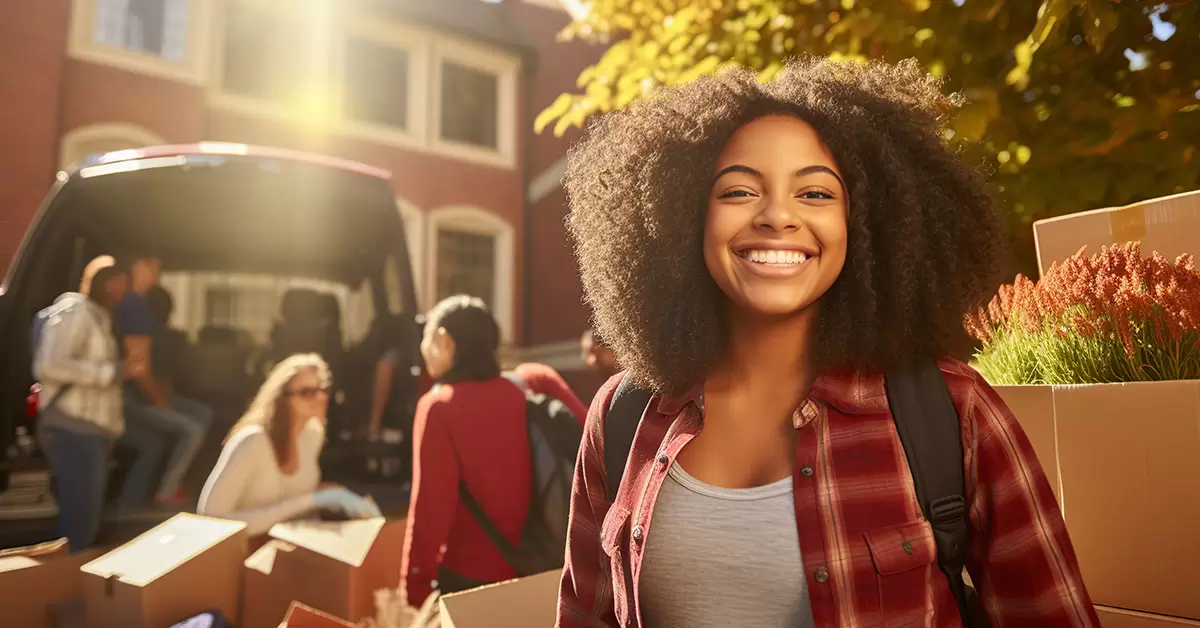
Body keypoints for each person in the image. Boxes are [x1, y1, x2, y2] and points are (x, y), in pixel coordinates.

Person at [556, 58, 1099, 627]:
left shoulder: (953, 410)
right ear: (684, 219)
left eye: (815, 193)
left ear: (866, 222)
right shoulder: (623, 417)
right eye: (739, 191)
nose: (778, 217)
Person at [400, 295, 533, 604]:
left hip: (467, 578)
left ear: (444, 341)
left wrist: (415, 585)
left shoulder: (438, 406)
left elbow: (431, 508)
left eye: (426, 339)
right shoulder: (517, 395)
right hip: (528, 566)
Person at [34, 256, 149, 550]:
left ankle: (66, 579)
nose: (119, 291)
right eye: (114, 284)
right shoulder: (75, 310)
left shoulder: (98, 316)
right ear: (98, 282)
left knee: (83, 515)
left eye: (123, 286)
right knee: (80, 520)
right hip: (73, 427)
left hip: (91, 430)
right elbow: (49, 366)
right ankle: (65, 584)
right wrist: (112, 372)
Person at [197, 353, 380, 536]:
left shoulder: (313, 435)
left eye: (323, 389)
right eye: (307, 392)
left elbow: (297, 503)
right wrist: (314, 500)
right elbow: (210, 521)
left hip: (288, 550)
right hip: (241, 554)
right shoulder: (253, 441)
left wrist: (342, 501)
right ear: (282, 398)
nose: (319, 398)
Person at [115, 254, 213, 506]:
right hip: (128, 398)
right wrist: (161, 402)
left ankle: (130, 507)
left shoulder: (129, 307)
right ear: (139, 266)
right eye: (154, 267)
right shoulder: (134, 309)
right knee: (192, 430)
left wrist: (163, 396)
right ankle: (167, 493)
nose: (157, 274)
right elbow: (139, 370)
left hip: (132, 394)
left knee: (189, 421)